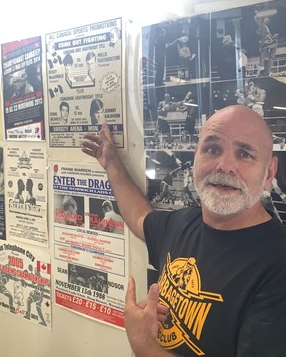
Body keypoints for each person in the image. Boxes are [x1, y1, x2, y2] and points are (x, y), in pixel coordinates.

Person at [81, 105, 286, 357]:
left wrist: (143, 342)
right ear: (196, 157)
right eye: (212, 149)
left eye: (244, 154)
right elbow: (139, 216)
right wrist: (111, 163)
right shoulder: (182, 224)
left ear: (269, 173)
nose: (225, 165)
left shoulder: (278, 266)